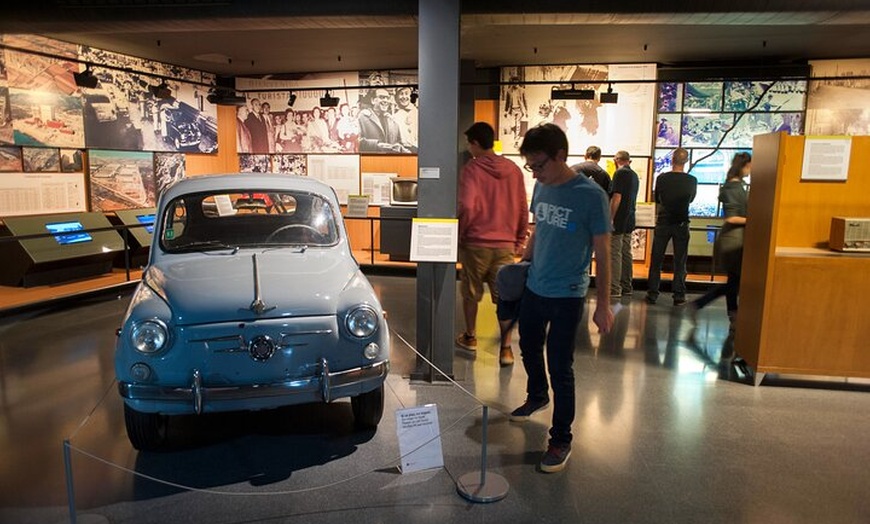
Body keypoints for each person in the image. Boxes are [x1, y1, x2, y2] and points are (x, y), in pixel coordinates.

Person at [510, 123, 613, 473]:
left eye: (539, 165)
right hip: (536, 285)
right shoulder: (541, 186)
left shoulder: (591, 196)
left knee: (561, 367)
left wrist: (603, 304)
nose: (535, 173)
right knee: (527, 345)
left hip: (568, 294)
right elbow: (540, 227)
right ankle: (537, 395)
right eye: (530, 166)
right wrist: (523, 257)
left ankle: (561, 439)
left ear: (561, 156)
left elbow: (603, 249)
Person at [455, 122, 529, 367]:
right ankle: (506, 349)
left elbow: (467, 205)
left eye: (469, 143)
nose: (469, 148)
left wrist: (462, 235)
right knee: (505, 297)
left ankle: (470, 336)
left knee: (471, 293)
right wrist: (519, 239)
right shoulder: (513, 169)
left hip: (476, 243)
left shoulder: (472, 169)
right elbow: (521, 207)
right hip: (505, 244)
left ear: (475, 143)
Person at [690, 152, 751, 331]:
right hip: (733, 240)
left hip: (736, 239)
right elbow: (731, 218)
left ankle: (732, 314)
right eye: (749, 166)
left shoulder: (736, 185)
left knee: (733, 281)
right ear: (743, 166)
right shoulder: (733, 188)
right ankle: (725, 312)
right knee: (734, 281)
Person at [645, 147, 697, 306]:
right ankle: (679, 295)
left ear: (672, 159)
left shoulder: (662, 178)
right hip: (681, 222)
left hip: (663, 222)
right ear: (686, 161)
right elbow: (691, 199)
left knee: (656, 259)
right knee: (680, 260)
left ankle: (652, 293)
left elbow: (658, 199)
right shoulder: (691, 180)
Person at [609, 150, 639, 298]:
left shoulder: (620, 174)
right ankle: (627, 286)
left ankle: (615, 288)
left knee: (615, 252)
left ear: (616, 160)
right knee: (626, 252)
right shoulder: (634, 175)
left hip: (619, 219)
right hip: (630, 218)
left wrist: (610, 217)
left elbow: (617, 197)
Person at [358, 88, 410, 153]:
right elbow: (357, 142)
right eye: (382, 97)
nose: (385, 100)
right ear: (373, 100)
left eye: (387, 98)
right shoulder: (363, 117)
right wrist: (377, 146)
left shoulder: (392, 121)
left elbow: (399, 143)